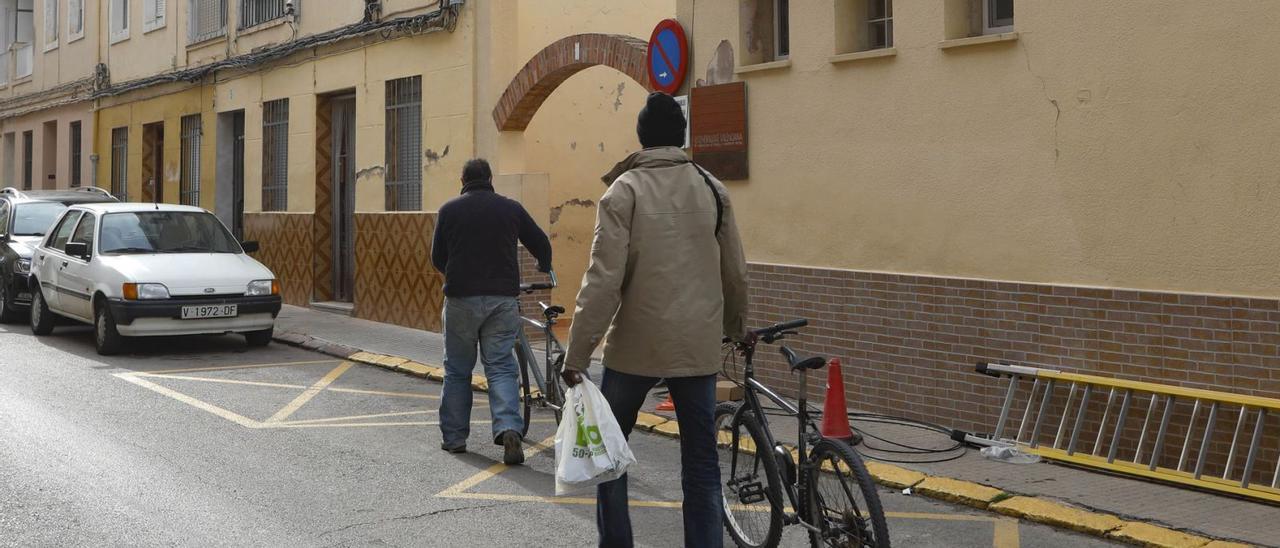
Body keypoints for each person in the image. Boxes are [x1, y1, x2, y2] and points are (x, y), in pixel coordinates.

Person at [561, 92, 749, 548]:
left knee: (610, 452)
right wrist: (734, 331)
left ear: (642, 138)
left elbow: (603, 281)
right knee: (702, 465)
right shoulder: (711, 188)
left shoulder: (623, 191)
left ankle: (617, 542)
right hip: (697, 348)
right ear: (680, 137)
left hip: (634, 348)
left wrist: (578, 354)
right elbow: (735, 272)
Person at [431, 158, 552, 465]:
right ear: (490, 178)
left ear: (462, 180)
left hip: (460, 300)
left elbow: (437, 257)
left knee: (457, 369)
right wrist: (543, 265)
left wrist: (457, 276)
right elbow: (539, 241)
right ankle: (510, 428)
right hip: (502, 300)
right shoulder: (510, 208)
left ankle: (455, 438)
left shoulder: (449, 211)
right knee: (500, 366)